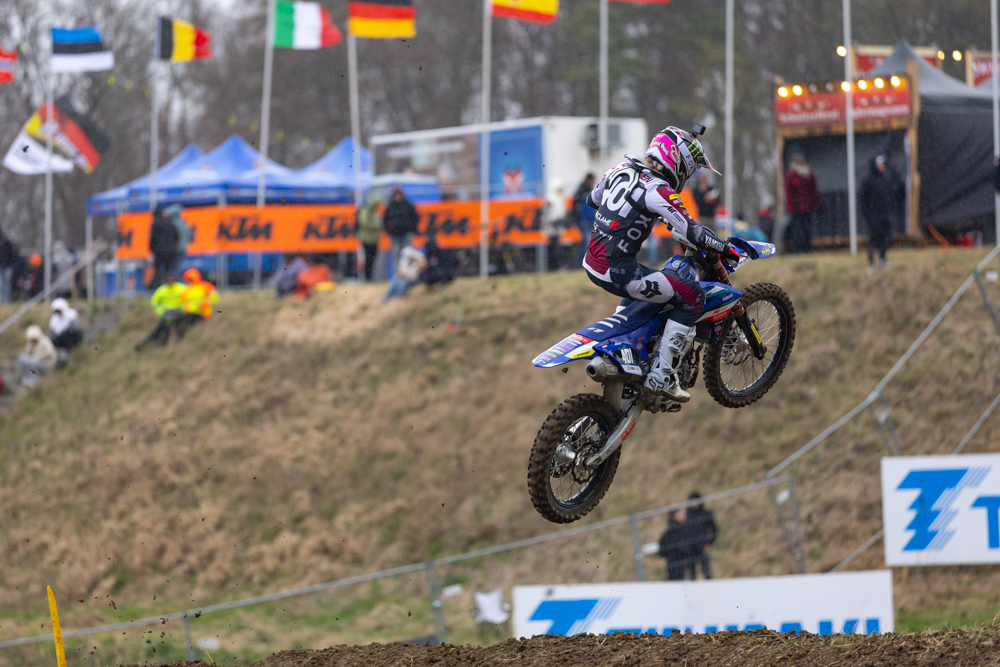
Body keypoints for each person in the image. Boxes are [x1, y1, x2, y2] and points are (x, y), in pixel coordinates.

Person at [584, 126, 739, 403]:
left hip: (591, 262)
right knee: (692, 295)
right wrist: (725, 248)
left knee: (652, 283)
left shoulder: (619, 169)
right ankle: (661, 375)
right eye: (688, 171)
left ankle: (626, 350)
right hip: (618, 271)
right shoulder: (658, 189)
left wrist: (633, 214)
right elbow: (694, 233)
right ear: (678, 162)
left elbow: (592, 200)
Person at [860, 150, 904, 272]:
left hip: (885, 215)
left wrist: (891, 210)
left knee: (885, 238)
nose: (883, 166)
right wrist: (867, 215)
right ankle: (870, 263)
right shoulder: (867, 180)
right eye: (880, 164)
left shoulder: (885, 179)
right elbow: (863, 200)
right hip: (873, 216)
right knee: (873, 239)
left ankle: (882, 260)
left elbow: (890, 196)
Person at [135, 272, 186, 350]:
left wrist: (184, 309)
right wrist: (161, 311)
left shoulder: (181, 288)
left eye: (172, 280)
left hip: (179, 313)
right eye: (169, 280)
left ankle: (155, 341)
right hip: (167, 313)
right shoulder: (162, 290)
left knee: (173, 326)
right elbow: (154, 301)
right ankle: (156, 341)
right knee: (164, 326)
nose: (170, 282)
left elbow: (188, 299)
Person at [784, 153, 822, 254]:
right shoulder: (793, 175)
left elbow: (813, 190)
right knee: (798, 229)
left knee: (805, 229)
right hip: (798, 208)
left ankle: (805, 248)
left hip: (804, 207)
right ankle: (799, 249)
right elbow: (789, 193)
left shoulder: (803, 175)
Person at [685, 491, 718, 580]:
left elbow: (714, 530)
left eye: (695, 501)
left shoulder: (706, 514)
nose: (693, 503)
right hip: (690, 549)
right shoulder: (687, 515)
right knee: (692, 574)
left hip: (702, 547)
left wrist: (709, 543)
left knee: (707, 572)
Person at [382, 189, 419, 266]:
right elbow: (385, 220)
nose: (398, 197)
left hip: (406, 233)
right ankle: (398, 272)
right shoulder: (390, 207)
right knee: (397, 255)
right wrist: (389, 230)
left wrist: (411, 228)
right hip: (395, 235)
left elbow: (415, 218)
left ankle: (408, 271)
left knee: (408, 254)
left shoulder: (408, 205)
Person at [658, 508, 696, 581]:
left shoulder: (685, 527)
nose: (685, 515)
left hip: (684, 561)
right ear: (675, 515)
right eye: (682, 513)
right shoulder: (672, 530)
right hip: (677, 562)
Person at [177, 268, 218, 337]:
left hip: (203, 313)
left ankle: (186, 337)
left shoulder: (204, 286)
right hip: (190, 313)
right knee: (179, 322)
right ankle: (182, 337)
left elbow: (214, 298)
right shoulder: (186, 289)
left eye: (188, 280)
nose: (187, 282)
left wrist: (205, 303)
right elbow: (182, 302)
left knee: (186, 322)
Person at [149, 205, 180, 289]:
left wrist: (152, 249)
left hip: (159, 251)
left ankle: (156, 287)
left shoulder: (155, 224)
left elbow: (153, 238)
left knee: (157, 270)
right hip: (170, 251)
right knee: (169, 271)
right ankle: (170, 286)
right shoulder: (169, 222)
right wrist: (173, 247)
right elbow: (176, 236)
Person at [571, 173, 597, 267]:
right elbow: (575, 207)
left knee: (588, 242)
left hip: (590, 219)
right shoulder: (581, 190)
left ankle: (584, 263)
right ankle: (582, 264)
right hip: (584, 220)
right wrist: (577, 218)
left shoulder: (589, 189)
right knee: (586, 241)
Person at [357, 195, 384, 282]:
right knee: (368, 259)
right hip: (367, 239)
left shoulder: (373, 211)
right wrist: (376, 226)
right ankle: (367, 277)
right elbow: (364, 222)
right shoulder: (366, 210)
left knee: (372, 259)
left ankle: (370, 277)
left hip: (374, 239)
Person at [543, 179, 568, 271]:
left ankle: (556, 266)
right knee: (554, 247)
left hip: (558, 225)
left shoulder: (560, 198)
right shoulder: (550, 198)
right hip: (552, 227)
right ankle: (554, 266)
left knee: (557, 247)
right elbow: (546, 214)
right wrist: (549, 225)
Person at [165, 204, 189, 272]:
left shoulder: (173, 223)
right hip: (182, 247)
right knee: (177, 267)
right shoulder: (182, 223)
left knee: (174, 268)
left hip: (176, 248)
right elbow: (188, 235)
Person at [0, 230, 14, 303]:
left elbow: (11, 254)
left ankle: (6, 301)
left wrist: (9, 263)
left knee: (7, 285)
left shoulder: (7, 243)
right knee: (1, 285)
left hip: (7, 267)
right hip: (1, 267)